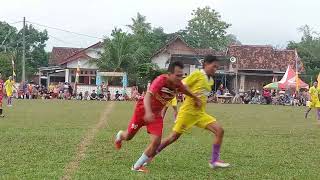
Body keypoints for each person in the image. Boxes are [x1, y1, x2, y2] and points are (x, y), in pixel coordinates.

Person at [114, 61, 201, 173]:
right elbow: (147, 97)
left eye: (182, 75)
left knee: (156, 142)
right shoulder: (160, 80)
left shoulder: (178, 84)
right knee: (128, 136)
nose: (180, 78)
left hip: (156, 115)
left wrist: (196, 98)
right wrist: (148, 112)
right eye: (177, 75)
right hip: (142, 110)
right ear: (169, 74)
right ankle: (120, 135)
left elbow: (186, 90)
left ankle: (137, 166)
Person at [152, 55, 230, 168]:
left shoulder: (211, 80)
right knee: (173, 137)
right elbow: (181, 85)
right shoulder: (197, 74)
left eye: (217, 67)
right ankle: (150, 155)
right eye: (214, 66)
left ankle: (214, 160)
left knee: (220, 131)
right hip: (187, 113)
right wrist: (194, 98)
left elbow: (202, 95)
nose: (215, 69)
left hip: (200, 114)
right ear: (206, 64)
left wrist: (207, 99)